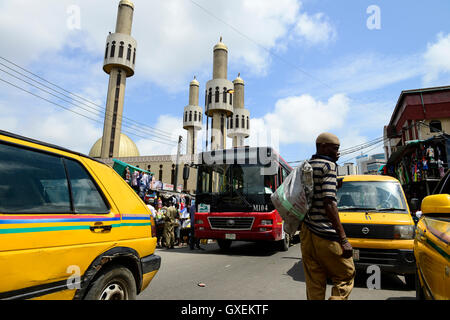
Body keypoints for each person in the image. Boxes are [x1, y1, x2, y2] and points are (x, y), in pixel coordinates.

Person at [300, 132, 355, 300]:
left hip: (307, 233)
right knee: (346, 274)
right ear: (323, 147)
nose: (338, 153)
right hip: (325, 234)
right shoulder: (329, 166)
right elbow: (329, 203)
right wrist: (343, 239)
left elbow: (310, 194)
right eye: (335, 148)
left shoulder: (306, 165)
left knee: (314, 282)